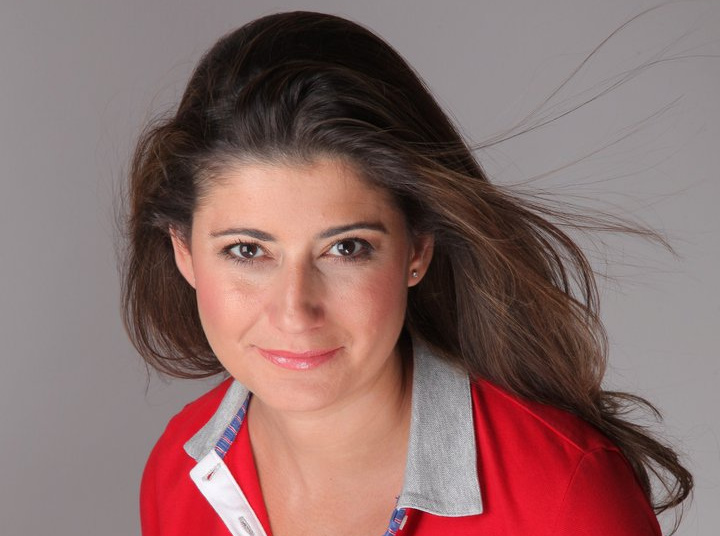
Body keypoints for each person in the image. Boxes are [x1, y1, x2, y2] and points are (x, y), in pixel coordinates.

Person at [123, 11, 693, 536]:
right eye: (247, 251)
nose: (294, 311)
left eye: (346, 248)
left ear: (417, 250)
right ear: (183, 251)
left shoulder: (566, 495)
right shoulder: (177, 473)